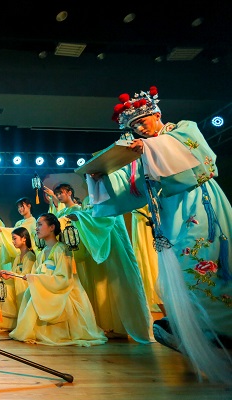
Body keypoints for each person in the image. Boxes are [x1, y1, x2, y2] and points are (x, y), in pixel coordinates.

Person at [88, 85, 232, 381]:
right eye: (134, 127)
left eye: (142, 121)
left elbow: (201, 159)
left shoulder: (182, 130)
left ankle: (219, 330)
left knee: (200, 266)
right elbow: (133, 187)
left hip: (198, 205)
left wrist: (149, 149)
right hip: (169, 215)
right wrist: (102, 177)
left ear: (156, 114)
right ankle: (195, 333)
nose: (140, 129)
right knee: (177, 276)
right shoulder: (143, 150)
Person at [43, 183, 154, 343]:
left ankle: (120, 328)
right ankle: (102, 325)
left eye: (61, 193)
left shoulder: (104, 199)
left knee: (112, 288)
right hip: (86, 251)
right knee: (96, 290)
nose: (59, 196)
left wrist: (80, 218)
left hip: (104, 247)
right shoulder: (79, 205)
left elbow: (102, 219)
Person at [8, 213, 107, 346]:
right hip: (45, 289)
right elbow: (33, 275)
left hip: (61, 291)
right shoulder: (42, 253)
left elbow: (63, 278)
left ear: (52, 227)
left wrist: (38, 278)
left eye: (40, 225)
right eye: (36, 225)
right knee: (30, 295)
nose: (36, 228)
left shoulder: (62, 249)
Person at [0, 226, 35, 331]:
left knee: (3, 289)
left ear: (24, 238)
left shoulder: (30, 256)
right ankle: (1, 322)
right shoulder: (18, 257)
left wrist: (9, 275)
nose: (13, 241)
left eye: (15, 238)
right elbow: (13, 275)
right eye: (12, 239)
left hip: (25, 287)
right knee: (0, 287)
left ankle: (8, 323)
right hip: (16, 284)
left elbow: (26, 277)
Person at [0, 197, 37, 271]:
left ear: (29, 206)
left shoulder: (32, 220)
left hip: (27, 253)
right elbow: (12, 233)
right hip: (18, 254)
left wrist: (2, 230)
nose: (20, 209)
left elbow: (20, 231)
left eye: (22, 206)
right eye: (18, 207)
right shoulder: (19, 222)